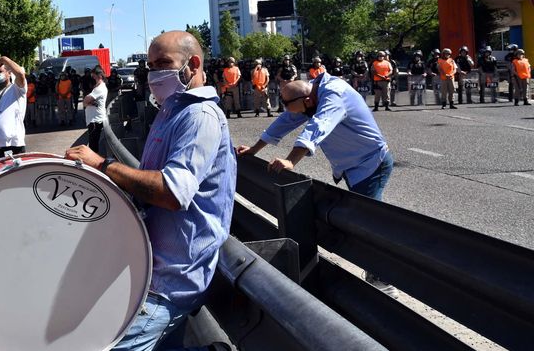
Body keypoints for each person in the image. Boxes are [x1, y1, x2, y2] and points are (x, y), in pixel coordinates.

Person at [65, 31, 235, 350]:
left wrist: (103, 166)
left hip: (171, 280)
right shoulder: (170, 111)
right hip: (149, 269)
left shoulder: (200, 116)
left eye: (163, 64)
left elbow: (172, 192)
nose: (155, 73)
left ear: (193, 64)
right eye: (150, 65)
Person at [236, 73, 397, 298]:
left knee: (368, 223)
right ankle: (378, 274)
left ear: (307, 101)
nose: (300, 115)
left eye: (301, 110)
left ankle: (384, 280)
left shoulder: (333, 95)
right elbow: (285, 121)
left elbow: (317, 126)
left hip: (370, 164)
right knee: (363, 220)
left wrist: (291, 160)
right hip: (353, 166)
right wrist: (254, 149)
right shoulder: (310, 96)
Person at [0, 56, 27, 164]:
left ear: (9, 73)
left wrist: (4, 59)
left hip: (12, 145)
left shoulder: (16, 90)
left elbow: (20, 74)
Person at [84, 66, 107, 153]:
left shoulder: (99, 89)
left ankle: (94, 165)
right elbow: (86, 102)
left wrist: (89, 102)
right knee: (93, 146)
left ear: (99, 76)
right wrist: (90, 102)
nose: (92, 79)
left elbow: (85, 101)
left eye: (93, 77)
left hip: (95, 121)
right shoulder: (97, 88)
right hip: (94, 120)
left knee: (93, 148)